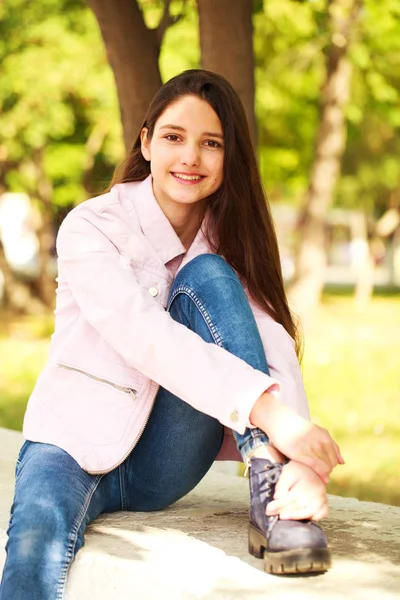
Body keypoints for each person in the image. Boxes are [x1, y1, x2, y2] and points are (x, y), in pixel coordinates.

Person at [0, 69, 343, 599]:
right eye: (173, 137)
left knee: (209, 276)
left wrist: (300, 460)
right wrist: (272, 414)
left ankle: (270, 489)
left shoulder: (229, 243)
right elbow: (145, 335)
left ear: (230, 159)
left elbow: (270, 341)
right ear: (146, 141)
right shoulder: (92, 225)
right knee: (30, 556)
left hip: (164, 458)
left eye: (211, 144)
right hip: (67, 443)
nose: (190, 157)